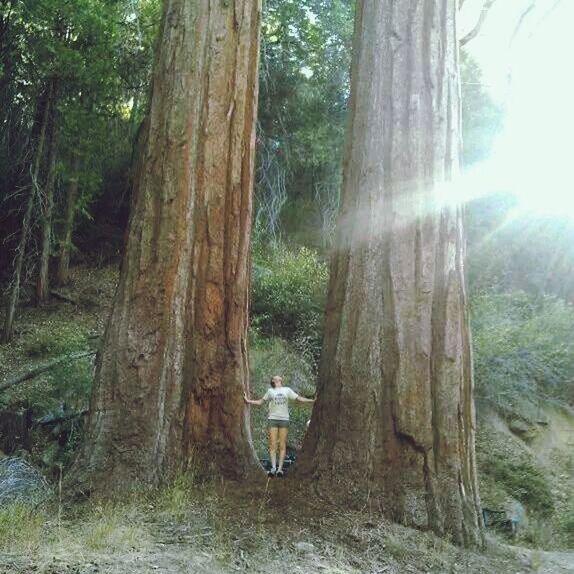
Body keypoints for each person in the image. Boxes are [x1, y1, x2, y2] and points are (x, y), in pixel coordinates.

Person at [244, 375, 314, 477]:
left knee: (282, 444)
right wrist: (247, 400)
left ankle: (280, 470)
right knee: (272, 444)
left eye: (279, 376)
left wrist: (312, 401)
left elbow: (298, 399)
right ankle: (273, 468)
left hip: (284, 419)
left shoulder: (287, 390)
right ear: (273, 380)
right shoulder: (270, 391)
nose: (278, 377)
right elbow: (260, 402)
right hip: (272, 419)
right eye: (275, 376)